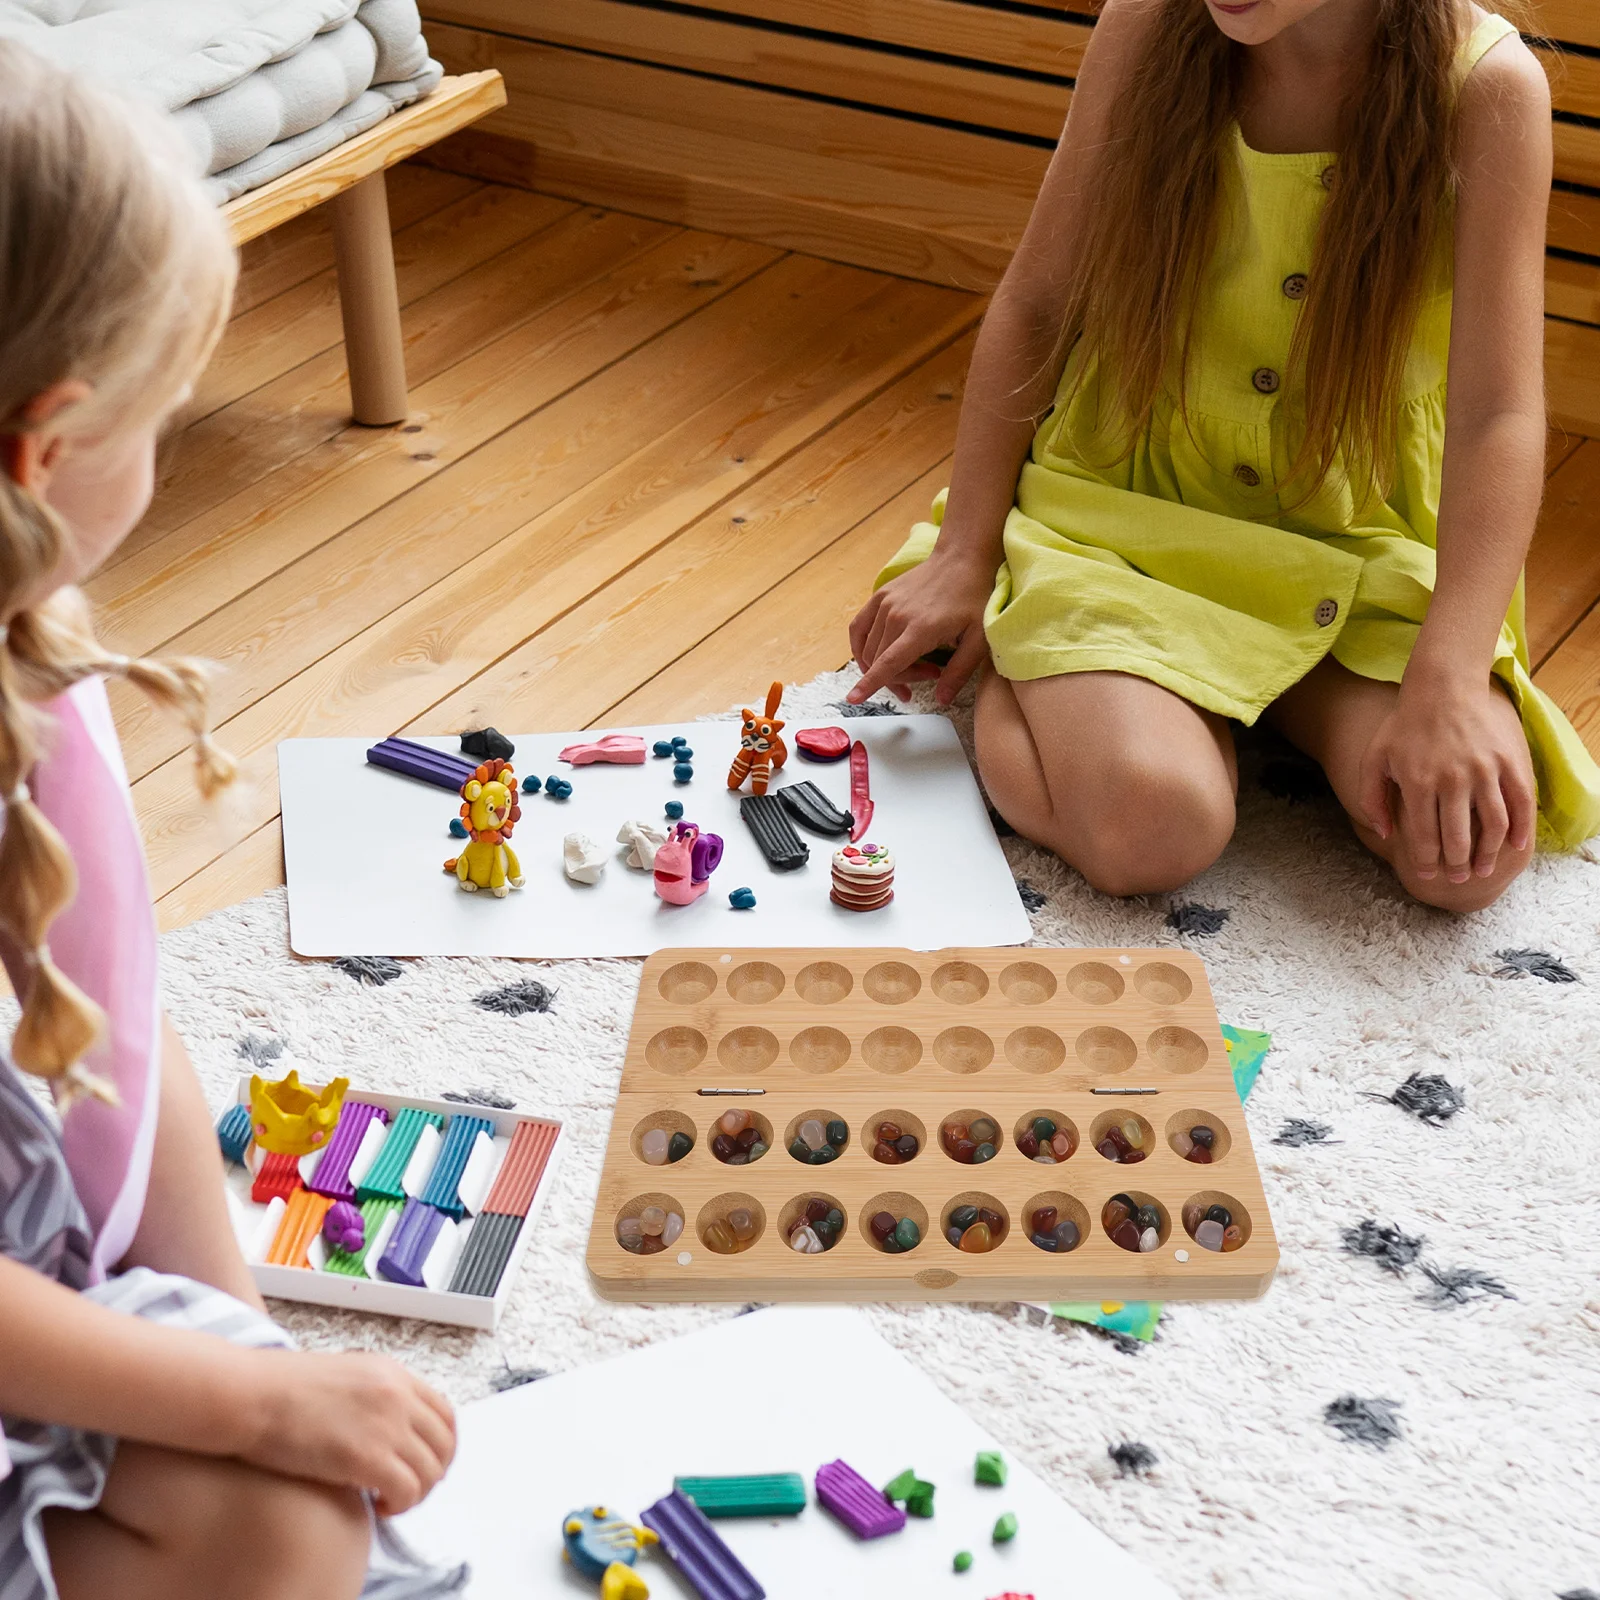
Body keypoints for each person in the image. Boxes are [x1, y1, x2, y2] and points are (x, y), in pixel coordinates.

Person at [0, 44, 460, 1600]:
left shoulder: (36, 637)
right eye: (167, 418)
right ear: (45, 446)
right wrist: (252, 1400)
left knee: (296, 1493)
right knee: (283, 1521)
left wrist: (246, 1348)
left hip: (51, 1291)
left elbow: (120, 1029)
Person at [848, 0, 1599, 911]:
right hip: (1128, 517)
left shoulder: (1488, 88)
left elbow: (1499, 416)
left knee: (1467, 860)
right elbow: (1036, 305)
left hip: (1357, 546)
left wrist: (1445, 679)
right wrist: (967, 550)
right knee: (1150, 825)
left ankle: (1285, 693)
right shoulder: (1148, 24)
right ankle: (1034, 644)